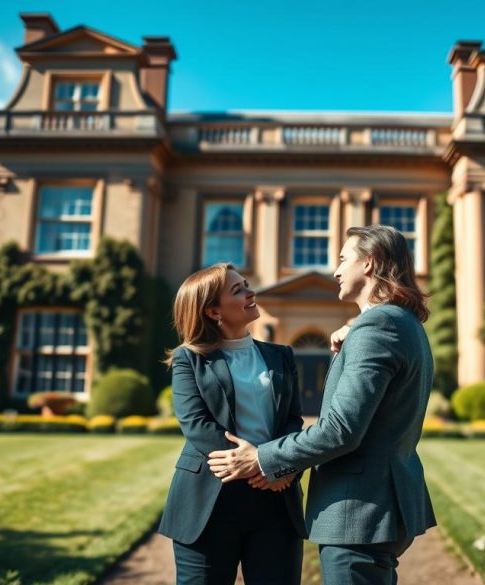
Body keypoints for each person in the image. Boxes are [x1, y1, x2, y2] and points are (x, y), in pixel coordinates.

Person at [207, 225, 437, 585]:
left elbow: (341, 431)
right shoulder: (400, 323)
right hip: (379, 506)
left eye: (344, 260)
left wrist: (263, 457)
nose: (336, 271)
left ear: (370, 263)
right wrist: (356, 331)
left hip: (357, 513)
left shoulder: (376, 329)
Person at [158, 263, 306, 585]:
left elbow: (294, 419)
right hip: (208, 504)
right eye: (238, 290)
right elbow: (196, 424)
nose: (251, 292)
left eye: (246, 284)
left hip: (275, 501)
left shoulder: (282, 355)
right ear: (213, 311)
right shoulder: (189, 358)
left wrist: (277, 467)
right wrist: (262, 466)